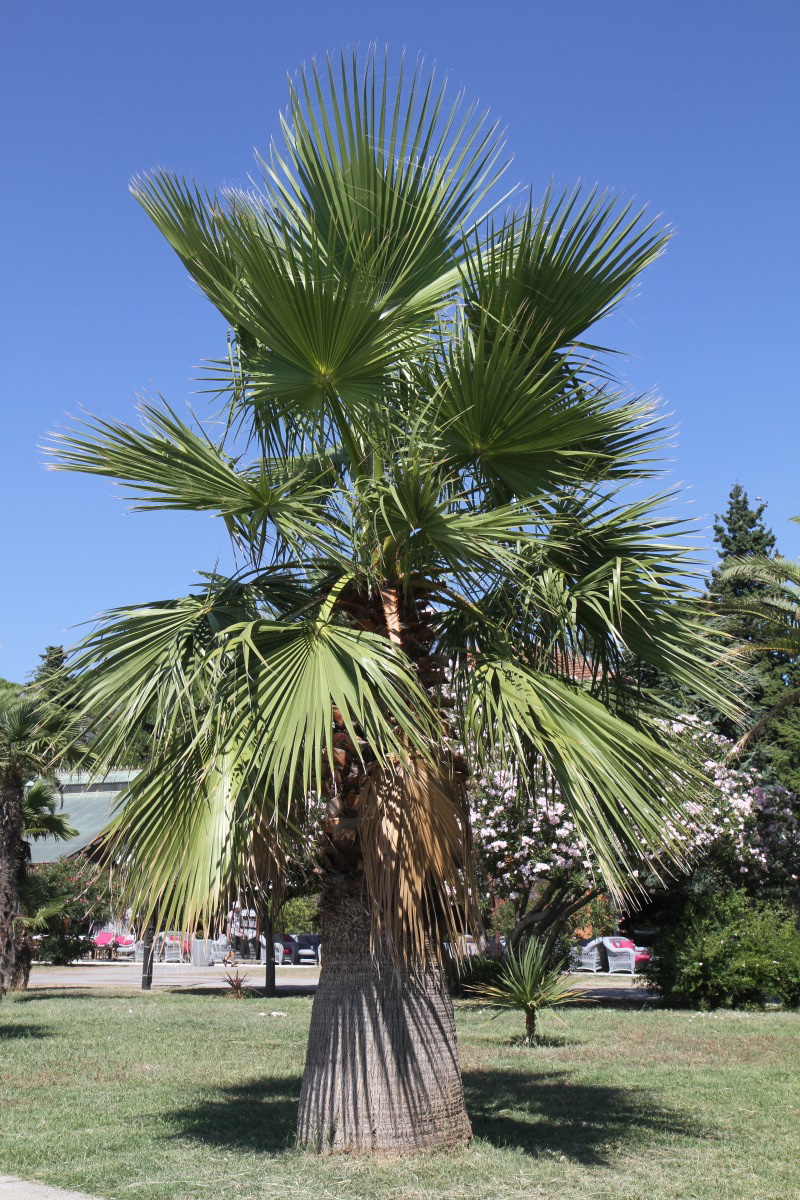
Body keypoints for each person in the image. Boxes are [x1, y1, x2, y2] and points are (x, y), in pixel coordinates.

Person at [224, 900, 260, 965]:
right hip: (233, 932)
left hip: (239, 933)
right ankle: (233, 962)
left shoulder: (241, 913)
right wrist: (228, 936)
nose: (238, 909)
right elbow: (228, 925)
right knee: (233, 948)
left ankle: (225, 958)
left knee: (236, 948)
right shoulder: (230, 914)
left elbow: (242, 924)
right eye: (237, 908)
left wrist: (243, 933)